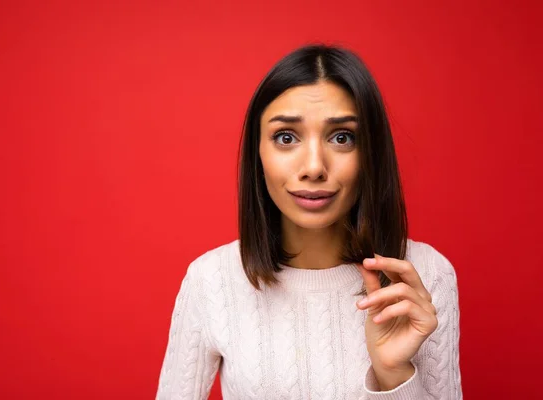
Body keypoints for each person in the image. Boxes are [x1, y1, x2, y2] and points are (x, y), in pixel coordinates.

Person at [156, 44, 462, 399]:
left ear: (371, 153)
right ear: (258, 153)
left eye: (342, 137)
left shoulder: (428, 275)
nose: (314, 167)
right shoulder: (212, 280)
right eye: (286, 137)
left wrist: (393, 375)